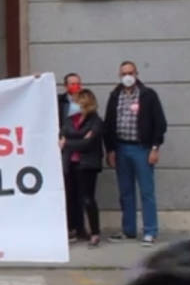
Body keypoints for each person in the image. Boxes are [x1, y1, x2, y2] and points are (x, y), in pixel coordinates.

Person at [103, 61, 167, 246]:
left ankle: (150, 231)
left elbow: (160, 123)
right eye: (124, 73)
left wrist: (155, 148)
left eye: (130, 72)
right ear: (119, 75)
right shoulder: (115, 96)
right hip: (122, 148)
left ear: (137, 73)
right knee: (126, 192)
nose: (127, 76)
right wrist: (111, 150)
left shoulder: (148, 95)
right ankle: (128, 229)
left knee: (147, 191)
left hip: (143, 149)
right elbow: (109, 125)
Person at [60, 89, 104, 247]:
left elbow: (89, 143)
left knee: (87, 198)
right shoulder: (70, 119)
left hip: (87, 164)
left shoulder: (96, 121)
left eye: (77, 101)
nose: (74, 104)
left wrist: (69, 143)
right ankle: (74, 228)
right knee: (71, 198)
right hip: (70, 163)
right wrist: (77, 140)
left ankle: (95, 232)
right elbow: (62, 135)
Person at [58, 72, 82, 239]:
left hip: (81, 152)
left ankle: (80, 228)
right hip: (63, 151)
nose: (75, 86)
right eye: (71, 83)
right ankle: (68, 227)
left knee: (81, 192)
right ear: (65, 85)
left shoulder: (86, 100)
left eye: (77, 83)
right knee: (67, 191)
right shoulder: (59, 102)